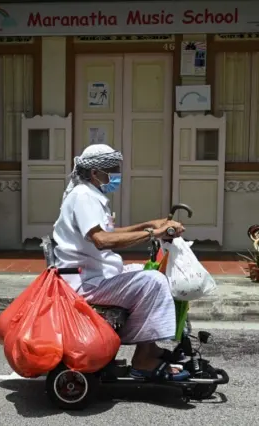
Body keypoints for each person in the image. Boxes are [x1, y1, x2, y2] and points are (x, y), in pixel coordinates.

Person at [52, 144, 190, 381]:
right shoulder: (83, 197)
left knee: (151, 272)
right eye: (112, 169)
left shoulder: (90, 195)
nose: (117, 174)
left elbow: (110, 232)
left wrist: (150, 224)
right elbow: (102, 240)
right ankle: (144, 360)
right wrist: (153, 234)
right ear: (95, 172)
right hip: (87, 282)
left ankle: (150, 347)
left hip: (96, 274)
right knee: (154, 282)